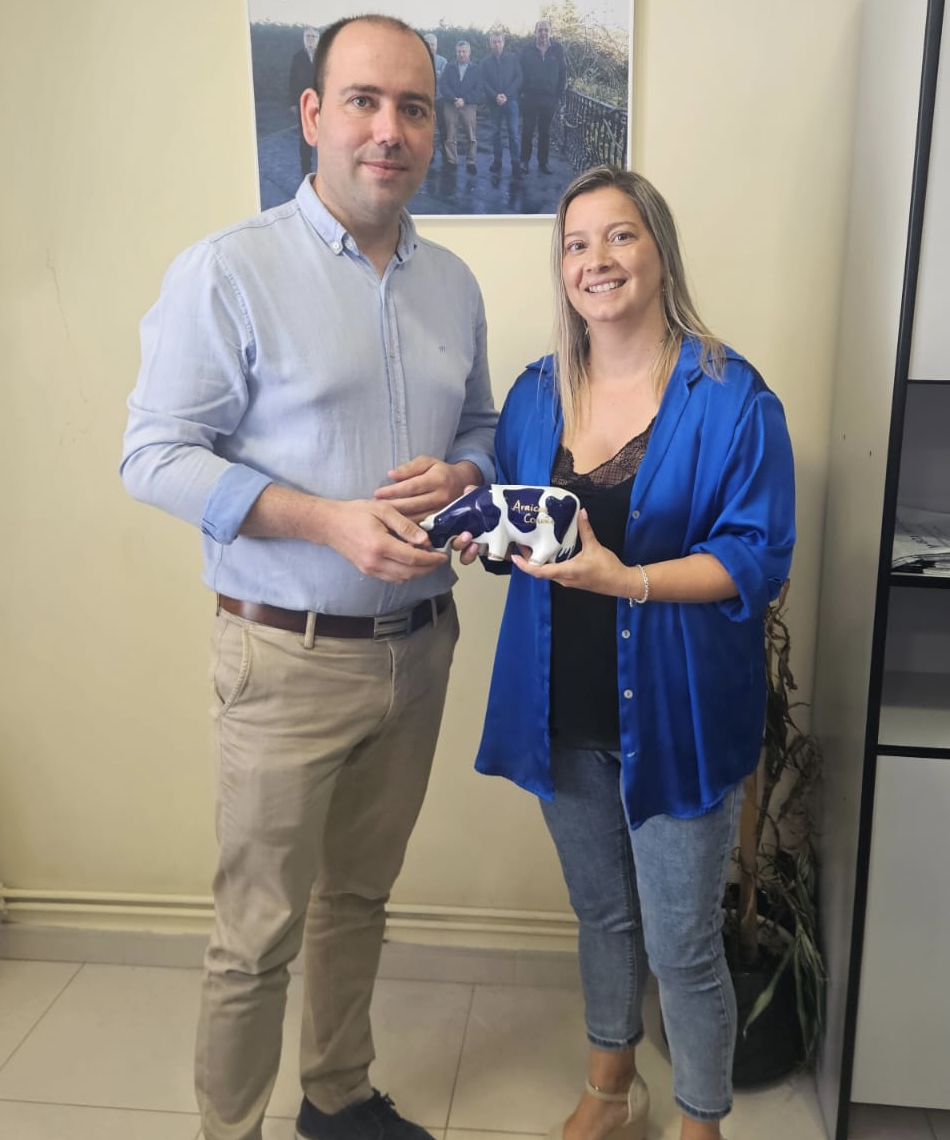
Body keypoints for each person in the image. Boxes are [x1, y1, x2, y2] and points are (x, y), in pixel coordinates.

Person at [121, 15, 497, 1140]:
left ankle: (336, 1098)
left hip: (419, 652)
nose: (390, 130)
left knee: (359, 899)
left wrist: (466, 472)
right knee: (256, 934)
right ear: (313, 115)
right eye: (365, 102)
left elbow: (482, 425)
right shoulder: (229, 270)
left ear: (433, 127)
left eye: (413, 108)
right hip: (285, 656)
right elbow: (153, 456)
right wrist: (326, 522)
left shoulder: (454, 283)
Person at [461, 167, 795, 1140]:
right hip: (559, 711)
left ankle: (700, 1123)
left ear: (658, 252)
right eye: (575, 243)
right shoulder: (535, 395)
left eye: (619, 236)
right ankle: (612, 1089)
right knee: (601, 916)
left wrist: (630, 580)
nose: (595, 260)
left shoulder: (729, 396)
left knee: (682, 946)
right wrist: (482, 532)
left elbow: (755, 556)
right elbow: (523, 532)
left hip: (677, 716)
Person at [519, 19, 566, 174]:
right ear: (535, 32)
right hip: (530, 98)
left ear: (550, 32)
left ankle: (543, 163)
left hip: (549, 99)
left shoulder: (558, 49)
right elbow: (519, 72)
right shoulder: (527, 49)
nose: (543, 33)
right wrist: (521, 94)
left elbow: (562, 73)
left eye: (546, 30)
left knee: (545, 132)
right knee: (527, 131)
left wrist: (559, 96)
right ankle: (524, 161)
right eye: (540, 30)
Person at [480, 30, 524, 179]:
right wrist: (495, 96)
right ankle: (497, 161)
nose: (497, 44)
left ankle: (516, 164)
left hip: (511, 101)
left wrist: (506, 94)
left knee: (513, 134)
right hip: (494, 103)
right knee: (496, 133)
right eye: (494, 42)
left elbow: (519, 77)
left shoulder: (513, 58)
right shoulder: (485, 62)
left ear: (503, 43)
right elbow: (483, 81)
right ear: (490, 43)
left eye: (499, 41)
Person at [439, 41, 483, 172]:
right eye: (459, 51)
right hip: (451, 104)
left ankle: (471, 161)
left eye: (464, 51)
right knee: (450, 135)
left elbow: (479, 89)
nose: (461, 54)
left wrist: (465, 100)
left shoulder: (476, 69)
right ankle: (452, 160)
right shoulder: (449, 67)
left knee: (471, 135)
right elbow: (443, 85)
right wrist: (453, 98)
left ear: (469, 52)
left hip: (468, 106)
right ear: (456, 52)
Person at [287, 26, 320, 178]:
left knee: (325, 135)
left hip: (322, 102)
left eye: (313, 37)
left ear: (318, 39)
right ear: (304, 39)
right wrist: (293, 103)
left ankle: (324, 169)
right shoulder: (297, 58)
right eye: (308, 37)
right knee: (305, 136)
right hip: (303, 103)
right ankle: (305, 170)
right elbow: (292, 80)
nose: (310, 39)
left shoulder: (323, 57)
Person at [423, 32, 448, 158]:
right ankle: (429, 152)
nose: (431, 46)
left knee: (443, 127)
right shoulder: (417, 60)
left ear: (437, 46)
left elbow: (445, 81)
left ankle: (445, 150)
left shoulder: (443, 61)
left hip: (440, 100)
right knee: (426, 127)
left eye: (433, 44)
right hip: (424, 100)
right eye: (428, 44)